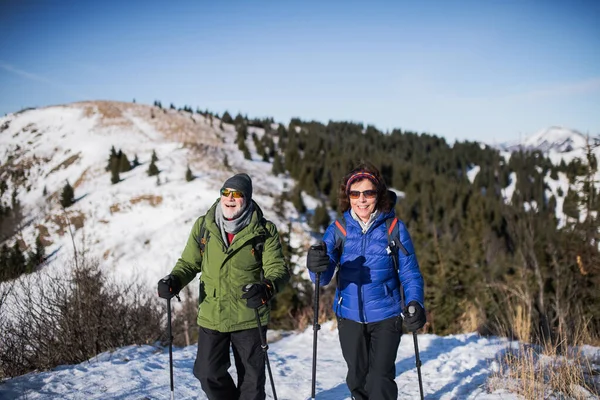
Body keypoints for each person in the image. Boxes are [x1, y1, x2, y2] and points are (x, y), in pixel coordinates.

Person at [157, 173, 289, 400]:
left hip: (249, 314)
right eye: (225, 193)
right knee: (206, 372)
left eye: (236, 194)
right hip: (212, 312)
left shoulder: (264, 230)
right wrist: (174, 280)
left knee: (252, 381)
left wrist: (267, 288)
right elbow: (189, 263)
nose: (230, 198)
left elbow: (278, 269)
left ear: (246, 199)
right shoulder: (204, 226)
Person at [306, 162, 426, 400]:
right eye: (355, 193)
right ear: (348, 196)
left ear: (378, 195)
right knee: (357, 378)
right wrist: (316, 265)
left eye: (368, 193)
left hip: (386, 314)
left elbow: (410, 272)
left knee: (380, 377)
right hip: (349, 315)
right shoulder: (338, 228)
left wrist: (415, 303)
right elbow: (322, 277)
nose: (361, 200)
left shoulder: (394, 228)